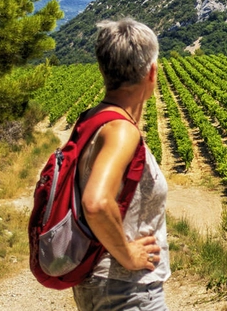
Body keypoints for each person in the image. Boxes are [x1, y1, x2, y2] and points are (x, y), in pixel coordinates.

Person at [73, 18, 170, 310]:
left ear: (104, 70)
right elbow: (96, 202)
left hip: (99, 284)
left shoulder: (93, 118)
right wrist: (128, 255)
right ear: (151, 72)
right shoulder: (121, 131)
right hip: (127, 289)